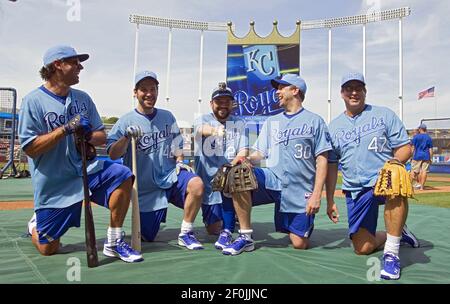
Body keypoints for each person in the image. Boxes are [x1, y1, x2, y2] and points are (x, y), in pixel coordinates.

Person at [19, 45, 142, 263]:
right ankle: (35, 226)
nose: (80, 67)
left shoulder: (83, 98)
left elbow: (101, 136)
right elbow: (30, 148)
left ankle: (113, 241)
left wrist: (85, 135)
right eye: (75, 62)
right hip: (55, 183)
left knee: (122, 174)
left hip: (87, 170)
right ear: (58, 65)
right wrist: (65, 129)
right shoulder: (33, 100)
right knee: (48, 248)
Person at [221, 74, 332, 255]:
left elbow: (322, 160)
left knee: (299, 243)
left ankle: (297, 223)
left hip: (299, 188)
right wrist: (247, 160)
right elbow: (260, 153)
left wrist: (316, 195)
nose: (277, 91)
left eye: (282, 87)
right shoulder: (272, 121)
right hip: (273, 180)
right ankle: (245, 237)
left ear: (295, 90)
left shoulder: (315, 121)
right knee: (238, 173)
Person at [325, 72, 420, 280]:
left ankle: (391, 254)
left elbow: (404, 148)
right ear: (342, 93)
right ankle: (397, 233)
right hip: (355, 188)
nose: (354, 92)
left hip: (383, 181)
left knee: (395, 176)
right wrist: (330, 199)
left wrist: (394, 163)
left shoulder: (383, 114)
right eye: (349, 88)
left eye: (358, 88)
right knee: (363, 248)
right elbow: (332, 165)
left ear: (365, 91)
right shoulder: (333, 127)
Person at [107, 70, 205, 250]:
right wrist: (126, 138)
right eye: (144, 89)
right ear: (135, 92)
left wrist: (180, 161)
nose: (149, 94)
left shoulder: (167, 116)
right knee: (148, 235)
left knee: (196, 184)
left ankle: (186, 233)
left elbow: (177, 143)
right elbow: (113, 154)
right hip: (144, 189)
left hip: (170, 177)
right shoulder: (125, 120)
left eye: (153, 89)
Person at [193, 82, 249, 250]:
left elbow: (243, 150)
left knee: (241, 175)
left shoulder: (239, 123)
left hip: (229, 184)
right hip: (210, 186)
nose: (223, 105)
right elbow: (199, 130)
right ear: (212, 104)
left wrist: (230, 169)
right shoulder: (203, 119)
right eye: (219, 101)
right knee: (213, 230)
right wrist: (215, 131)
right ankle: (231, 219)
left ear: (232, 103)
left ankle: (236, 218)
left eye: (227, 101)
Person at [410, 123, 433, 190]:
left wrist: (411, 156)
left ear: (420, 129)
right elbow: (430, 149)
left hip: (417, 156)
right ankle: (421, 187)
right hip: (426, 156)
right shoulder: (428, 137)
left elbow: (413, 148)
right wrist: (430, 158)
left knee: (414, 171)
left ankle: (409, 186)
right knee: (424, 171)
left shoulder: (416, 137)